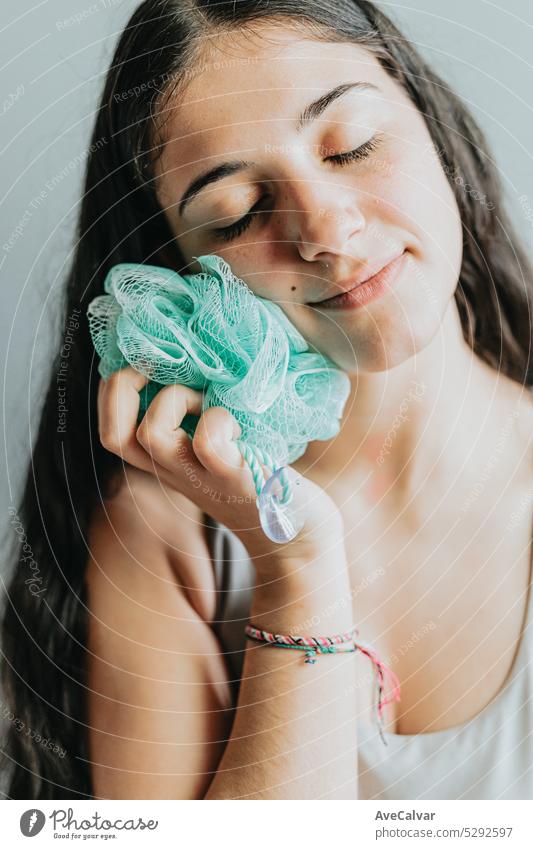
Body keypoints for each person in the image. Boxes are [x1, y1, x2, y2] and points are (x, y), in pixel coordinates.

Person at [2, 0, 532, 800]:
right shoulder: (168, 538)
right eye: (238, 211)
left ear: (426, 117)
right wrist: (296, 564)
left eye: (351, 145)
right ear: (182, 269)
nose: (324, 227)